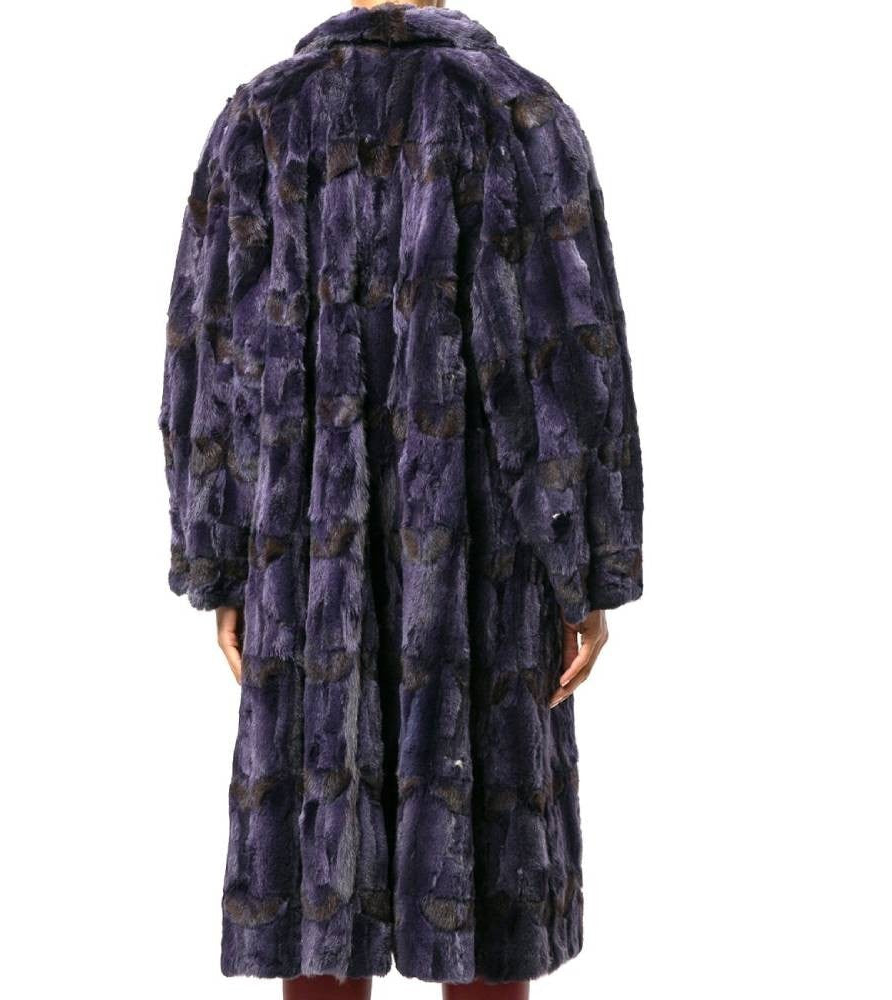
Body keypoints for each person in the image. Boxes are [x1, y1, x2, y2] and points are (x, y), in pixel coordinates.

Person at [158, 1, 643, 997]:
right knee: (488, 876)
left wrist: (220, 561)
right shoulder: (519, 114)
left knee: (316, 872)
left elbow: (210, 357)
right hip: (485, 556)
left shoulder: (262, 119)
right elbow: (572, 360)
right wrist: (588, 567)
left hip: (304, 554)